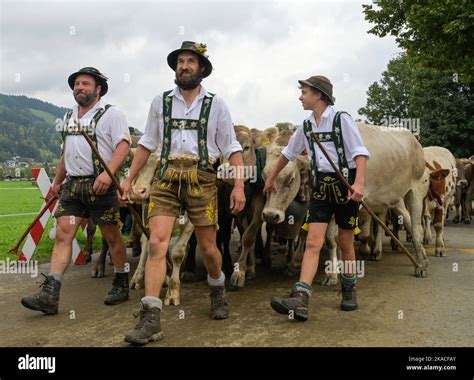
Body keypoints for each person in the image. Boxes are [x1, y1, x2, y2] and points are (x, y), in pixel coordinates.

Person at [122, 41, 246, 345]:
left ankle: (217, 289)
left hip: (202, 177)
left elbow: (232, 148)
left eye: (191, 61)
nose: (184, 66)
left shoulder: (216, 104)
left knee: (208, 248)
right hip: (165, 178)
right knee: (156, 243)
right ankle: (150, 317)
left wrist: (240, 185)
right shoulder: (160, 101)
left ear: (201, 69)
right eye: (180, 61)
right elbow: (148, 143)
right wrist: (129, 177)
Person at [21, 67, 131, 315]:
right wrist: (57, 182)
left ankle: (121, 281)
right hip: (73, 186)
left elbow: (123, 146)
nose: (79, 88)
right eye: (76, 84)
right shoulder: (69, 116)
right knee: (63, 235)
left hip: (100, 186)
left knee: (111, 236)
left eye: (85, 84)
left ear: (98, 89)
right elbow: (65, 153)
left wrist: (108, 174)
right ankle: (50, 294)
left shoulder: (111, 114)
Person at [264, 75, 370, 321]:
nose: (300, 96)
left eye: (304, 92)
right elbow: (288, 153)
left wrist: (360, 183)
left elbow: (360, 153)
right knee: (313, 242)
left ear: (319, 95)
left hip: (346, 187)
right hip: (321, 187)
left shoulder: (342, 119)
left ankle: (349, 289)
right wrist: (272, 178)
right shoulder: (306, 126)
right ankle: (301, 299)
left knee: (345, 242)